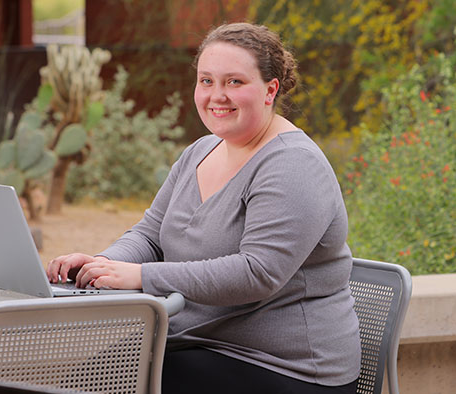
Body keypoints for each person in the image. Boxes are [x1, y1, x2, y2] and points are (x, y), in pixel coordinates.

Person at [47, 22, 361, 394]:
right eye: (207, 81)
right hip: (198, 345)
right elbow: (149, 235)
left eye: (234, 82)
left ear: (270, 90)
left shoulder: (293, 164)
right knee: (77, 383)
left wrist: (143, 276)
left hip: (283, 367)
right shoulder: (200, 151)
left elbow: (257, 273)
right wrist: (102, 266)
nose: (217, 95)